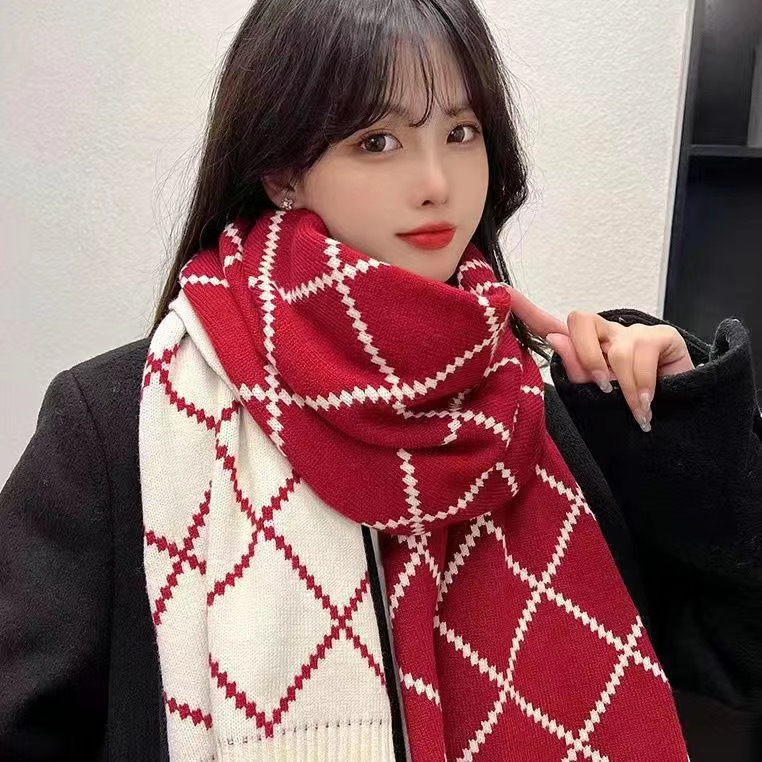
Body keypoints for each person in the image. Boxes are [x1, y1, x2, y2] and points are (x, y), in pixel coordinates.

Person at [1, 0, 761, 760]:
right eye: (377, 141)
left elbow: (733, 664)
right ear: (282, 173)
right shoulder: (121, 428)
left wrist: (677, 420)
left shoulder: (539, 411)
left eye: (461, 133)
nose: (436, 183)